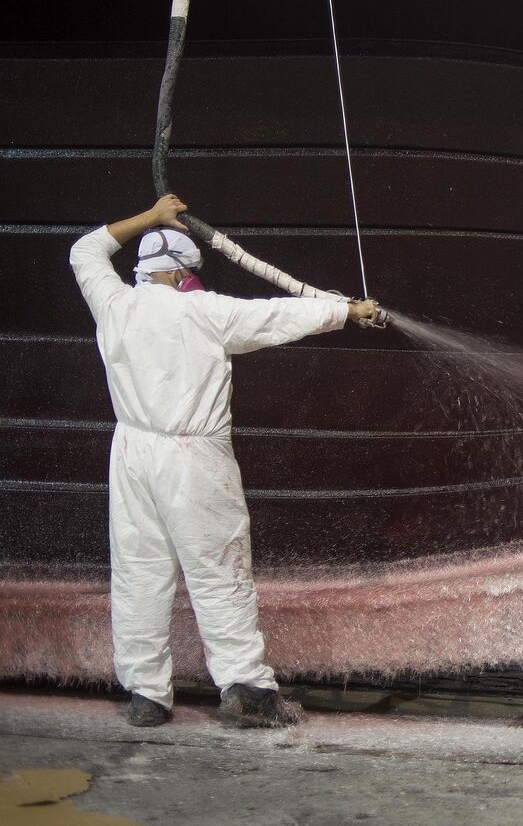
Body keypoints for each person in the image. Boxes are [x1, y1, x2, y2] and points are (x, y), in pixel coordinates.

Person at [69, 194, 378, 728]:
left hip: (132, 453)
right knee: (219, 569)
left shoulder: (113, 303)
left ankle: (146, 695)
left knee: (140, 572)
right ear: (179, 273)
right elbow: (277, 315)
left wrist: (151, 216)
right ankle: (246, 688)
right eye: (191, 273)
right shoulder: (204, 311)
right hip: (194, 457)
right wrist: (348, 310)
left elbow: (85, 251)